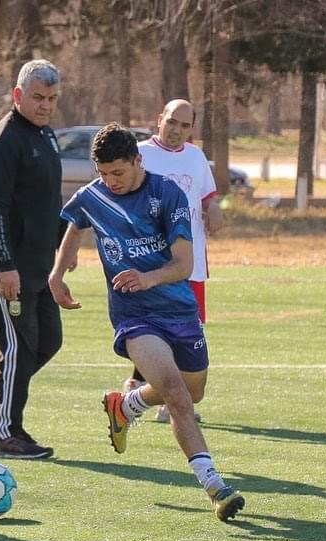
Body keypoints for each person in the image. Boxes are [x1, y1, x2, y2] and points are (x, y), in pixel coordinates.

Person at [48, 123, 244, 521]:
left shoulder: (165, 193)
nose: (110, 182)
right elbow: (76, 221)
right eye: (103, 174)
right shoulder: (94, 195)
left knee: (194, 391)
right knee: (176, 394)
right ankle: (214, 486)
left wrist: (148, 277)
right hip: (134, 316)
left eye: (118, 172)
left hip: (178, 309)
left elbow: (184, 264)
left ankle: (128, 404)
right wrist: (58, 272)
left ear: (138, 161)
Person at [0, 59, 69, 460]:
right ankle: (7, 432)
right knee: (18, 347)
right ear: (18, 95)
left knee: (49, 341)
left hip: (39, 264)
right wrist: (5, 263)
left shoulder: (47, 136)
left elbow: (47, 202)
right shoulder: (3, 141)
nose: (45, 105)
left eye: (52, 99)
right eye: (38, 97)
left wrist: (61, 249)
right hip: (10, 265)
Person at [125, 98, 224, 423]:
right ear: (159, 120)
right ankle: (144, 389)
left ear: (191, 129)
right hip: (152, 263)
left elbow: (207, 196)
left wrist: (213, 207)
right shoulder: (140, 155)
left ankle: (163, 398)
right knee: (153, 328)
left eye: (184, 125)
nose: (177, 130)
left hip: (190, 263)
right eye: (172, 122)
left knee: (186, 329)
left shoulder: (196, 158)